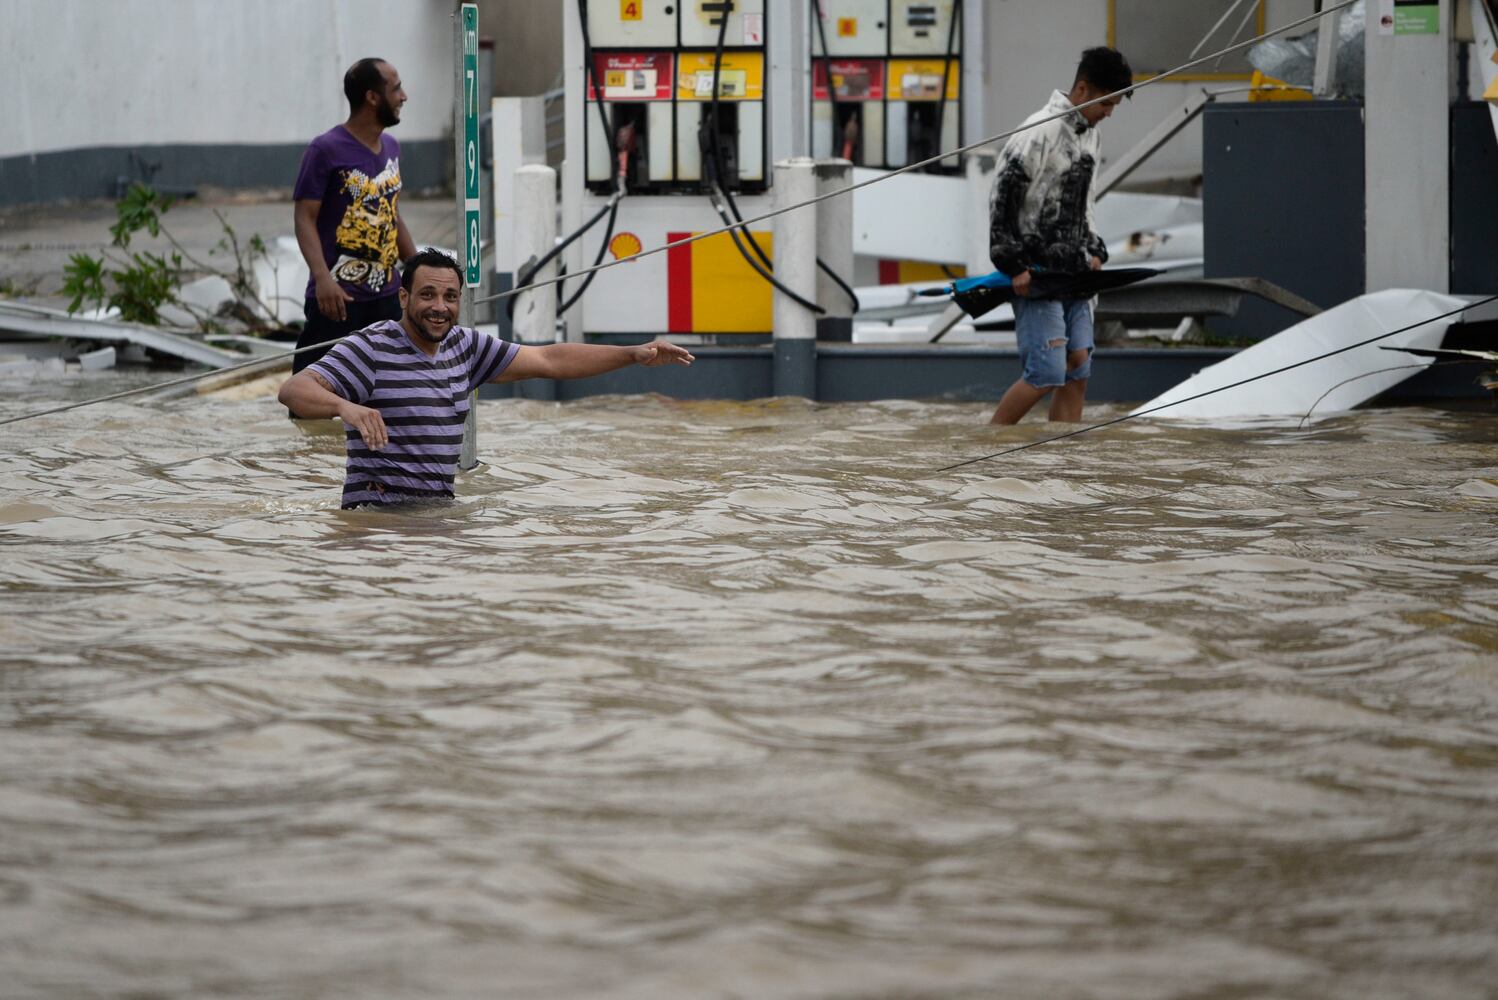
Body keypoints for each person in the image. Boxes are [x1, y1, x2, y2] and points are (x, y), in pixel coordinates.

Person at [278, 248, 695, 509]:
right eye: (427, 295)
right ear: (404, 298)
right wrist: (344, 406)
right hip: (377, 520)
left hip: (435, 512)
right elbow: (294, 391)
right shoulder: (372, 347)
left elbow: (549, 359)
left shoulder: (465, 347)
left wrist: (633, 354)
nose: (438, 307)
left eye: (450, 297)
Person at [987, 47, 1132, 425]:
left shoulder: (1092, 137)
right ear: (1082, 89)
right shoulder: (1039, 130)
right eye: (1108, 103)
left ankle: (1063, 462)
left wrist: (1095, 247)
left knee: (1078, 369)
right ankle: (988, 443)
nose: (1110, 113)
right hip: (1036, 274)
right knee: (1046, 373)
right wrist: (1013, 264)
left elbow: (1087, 203)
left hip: (1078, 273)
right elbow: (1002, 197)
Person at [291, 57, 418, 374]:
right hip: (338, 300)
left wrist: (418, 270)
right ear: (372, 97)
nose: (404, 96)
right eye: (396, 88)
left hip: (387, 298)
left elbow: (393, 213)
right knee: (312, 402)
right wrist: (322, 279)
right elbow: (304, 217)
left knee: (386, 399)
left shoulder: (391, 147)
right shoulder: (325, 149)